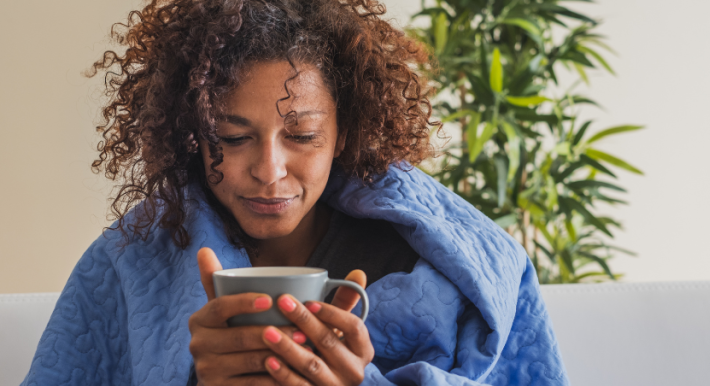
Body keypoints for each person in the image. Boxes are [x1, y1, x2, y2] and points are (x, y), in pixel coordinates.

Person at [23, 0, 569, 385]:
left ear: (344, 133)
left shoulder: (446, 265)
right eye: (232, 138)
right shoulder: (127, 264)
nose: (269, 169)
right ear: (192, 135)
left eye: (302, 135)